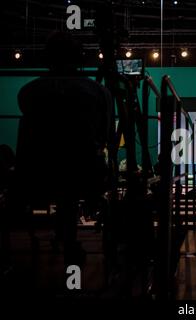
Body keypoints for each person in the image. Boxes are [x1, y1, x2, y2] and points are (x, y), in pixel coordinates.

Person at [16, 32, 114, 265]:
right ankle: (76, 243)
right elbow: (105, 136)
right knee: (73, 182)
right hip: (86, 176)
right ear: (80, 58)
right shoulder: (98, 92)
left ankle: (64, 237)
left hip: (39, 176)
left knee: (64, 184)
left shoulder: (28, 93)